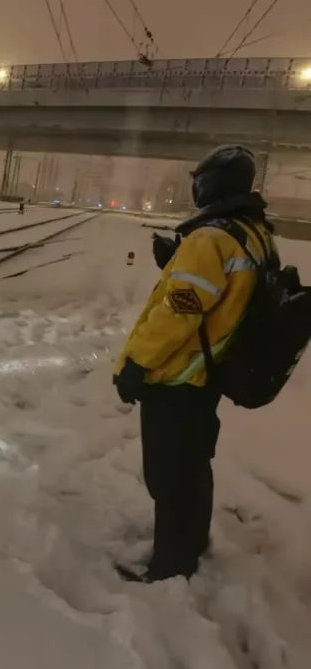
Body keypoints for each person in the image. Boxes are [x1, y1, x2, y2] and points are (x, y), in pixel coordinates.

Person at [114, 144, 274, 582]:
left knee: (168, 477)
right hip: (210, 373)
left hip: (177, 376)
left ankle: (169, 565)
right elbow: (227, 289)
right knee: (194, 466)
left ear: (211, 184)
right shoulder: (251, 232)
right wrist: (177, 261)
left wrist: (136, 364)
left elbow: (178, 313)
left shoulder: (209, 238)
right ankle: (191, 543)